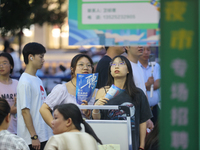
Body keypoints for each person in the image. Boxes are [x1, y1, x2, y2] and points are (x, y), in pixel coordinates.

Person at [92, 55, 152, 150]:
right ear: (110, 71)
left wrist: (142, 145)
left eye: (121, 63)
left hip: (132, 142)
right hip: (109, 143)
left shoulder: (138, 93)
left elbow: (142, 121)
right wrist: (96, 108)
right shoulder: (102, 92)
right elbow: (97, 120)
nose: (116, 66)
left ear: (128, 70)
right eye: (113, 64)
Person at [40, 54, 97, 129]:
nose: (85, 68)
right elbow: (44, 109)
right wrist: (56, 127)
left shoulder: (97, 91)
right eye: (81, 65)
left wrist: (87, 113)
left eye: (89, 65)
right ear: (72, 69)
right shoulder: (62, 89)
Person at [17, 42, 52, 150]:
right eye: (41, 56)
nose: (43, 60)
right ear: (30, 57)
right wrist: (34, 136)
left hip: (43, 135)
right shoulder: (25, 81)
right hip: (32, 139)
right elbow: (25, 111)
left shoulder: (37, 79)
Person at [126, 46, 154, 130]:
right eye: (136, 43)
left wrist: (147, 116)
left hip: (142, 117)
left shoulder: (138, 66)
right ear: (127, 46)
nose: (141, 46)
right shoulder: (126, 67)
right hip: (133, 118)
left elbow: (144, 93)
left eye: (141, 43)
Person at [138, 46, 160, 124]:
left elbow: (158, 84)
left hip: (155, 108)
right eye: (143, 50)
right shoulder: (135, 67)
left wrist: (145, 86)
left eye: (148, 49)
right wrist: (147, 84)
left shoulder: (156, 66)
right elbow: (136, 87)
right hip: (141, 110)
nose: (146, 52)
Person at [0, 52, 18, 134]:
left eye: (4, 63)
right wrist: (10, 110)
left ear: (11, 66)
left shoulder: (17, 84)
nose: (1, 66)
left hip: (18, 129)